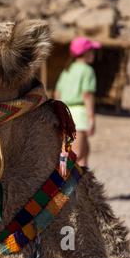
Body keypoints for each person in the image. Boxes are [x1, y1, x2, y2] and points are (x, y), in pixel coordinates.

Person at [54, 37, 100, 167]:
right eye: (92, 51)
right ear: (86, 53)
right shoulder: (87, 70)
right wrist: (91, 118)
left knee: (83, 153)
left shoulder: (67, 70)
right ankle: (63, 185)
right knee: (77, 153)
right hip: (79, 116)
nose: (94, 54)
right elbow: (87, 95)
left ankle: (80, 185)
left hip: (65, 113)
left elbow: (57, 93)